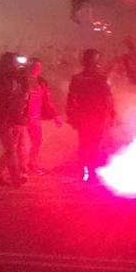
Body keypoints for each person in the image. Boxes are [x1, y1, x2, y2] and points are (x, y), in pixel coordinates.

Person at [66, 49, 115, 183]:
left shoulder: (99, 78)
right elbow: (71, 99)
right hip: (86, 116)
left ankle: (88, 172)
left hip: (96, 116)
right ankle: (85, 172)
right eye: (93, 61)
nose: (95, 64)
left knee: (91, 146)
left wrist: (111, 113)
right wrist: (71, 115)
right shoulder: (80, 79)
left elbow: (108, 98)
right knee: (86, 145)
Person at [0, 53, 29, 187]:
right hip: (4, 118)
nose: (17, 66)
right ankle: (15, 178)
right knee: (11, 149)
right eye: (14, 63)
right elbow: (1, 100)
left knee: (10, 149)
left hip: (16, 117)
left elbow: (24, 97)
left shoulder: (18, 79)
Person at [23, 58, 61, 175]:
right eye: (34, 66)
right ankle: (21, 166)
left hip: (35, 117)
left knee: (37, 141)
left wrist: (55, 116)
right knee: (21, 144)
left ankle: (31, 164)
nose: (37, 69)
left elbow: (47, 101)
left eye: (38, 67)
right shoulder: (22, 81)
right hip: (23, 117)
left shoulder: (41, 82)